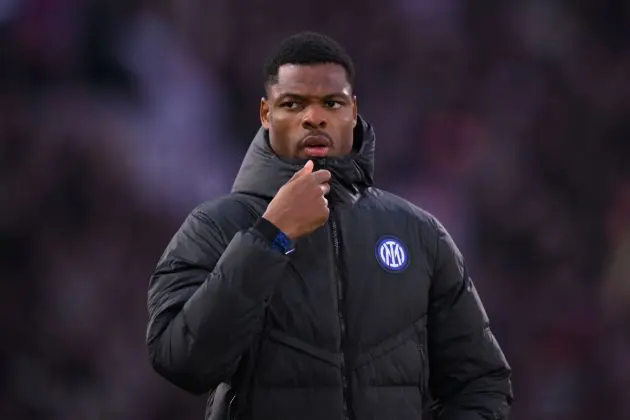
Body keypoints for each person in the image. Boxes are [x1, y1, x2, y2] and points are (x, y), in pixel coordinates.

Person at [146, 32, 513, 420]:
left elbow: (482, 382)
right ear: (266, 114)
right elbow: (180, 360)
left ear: (352, 111)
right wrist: (270, 236)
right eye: (293, 103)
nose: (314, 117)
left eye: (331, 103)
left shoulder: (419, 233)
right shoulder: (214, 227)